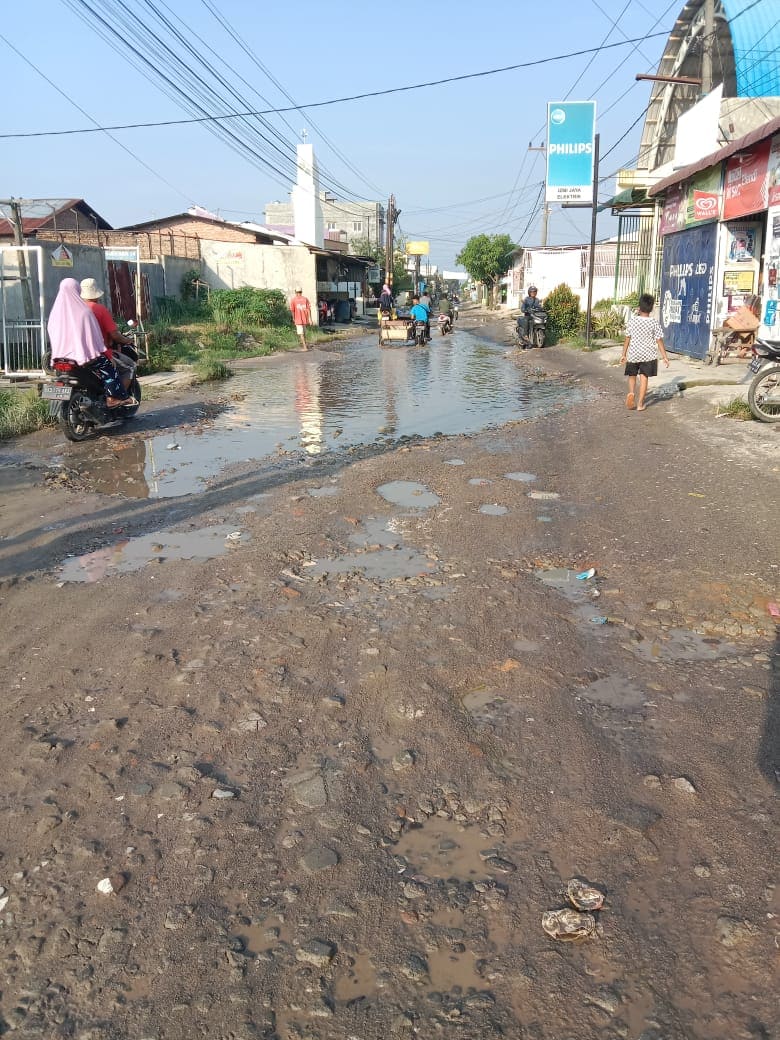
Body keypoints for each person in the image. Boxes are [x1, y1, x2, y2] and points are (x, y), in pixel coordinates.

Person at [47, 278, 133, 407]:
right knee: (108, 367)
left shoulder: (55, 314)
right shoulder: (84, 312)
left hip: (60, 358)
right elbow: (95, 338)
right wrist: (108, 355)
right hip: (83, 357)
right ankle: (113, 398)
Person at [80, 278, 135, 391]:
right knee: (130, 367)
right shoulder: (100, 309)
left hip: (78, 353)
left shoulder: (75, 309)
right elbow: (114, 335)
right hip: (99, 352)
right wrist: (127, 340)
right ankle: (120, 397)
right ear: (96, 294)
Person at [620, 292, 670, 411]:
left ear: (639, 307)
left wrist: (623, 354)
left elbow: (627, 338)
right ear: (652, 308)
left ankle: (631, 393)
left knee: (632, 375)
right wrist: (665, 357)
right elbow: (659, 340)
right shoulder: (653, 323)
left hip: (633, 354)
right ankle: (640, 404)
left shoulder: (632, 321)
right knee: (644, 378)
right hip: (648, 355)